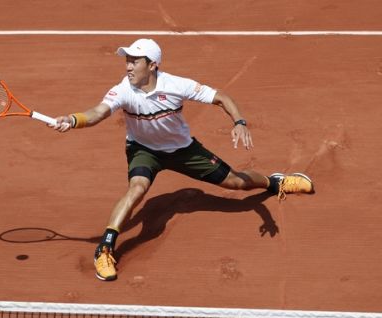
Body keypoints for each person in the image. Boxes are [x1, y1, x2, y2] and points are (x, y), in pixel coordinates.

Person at [50, 38, 314, 281]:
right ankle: (105, 248)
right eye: (127, 60)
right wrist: (73, 120)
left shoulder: (176, 85)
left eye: (134, 61)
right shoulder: (122, 90)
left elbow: (221, 97)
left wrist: (239, 121)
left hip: (183, 150)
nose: (128, 66)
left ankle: (274, 182)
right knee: (137, 188)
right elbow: (97, 113)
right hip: (144, 150)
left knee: (237, 183)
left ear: (152, 65)